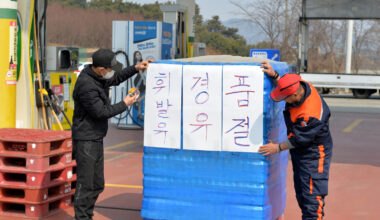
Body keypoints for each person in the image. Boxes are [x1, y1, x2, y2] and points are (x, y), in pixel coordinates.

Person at [72, 48, 152, 220]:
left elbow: (116, 78)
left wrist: (136, 68)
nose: (112, 73)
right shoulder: (87, 86)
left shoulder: (97, 76)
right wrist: (125, 103)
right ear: (101, 69)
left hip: (95, 137)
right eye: (110, 69)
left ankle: (87, 215)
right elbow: (101, 112)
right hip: (86, 140)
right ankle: (82, 217)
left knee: (97, 184)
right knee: (86, 185)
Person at [259, 61, 333, 220]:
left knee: (312, 200)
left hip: (314, 154)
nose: (284, 101)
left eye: (285, 98)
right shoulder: (300, 85)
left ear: (295, 95)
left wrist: (277, 148)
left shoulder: (310, 114)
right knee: (301, 193)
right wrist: (276, 76)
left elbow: (299, 139)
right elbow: (287, 85)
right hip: (302, 149)